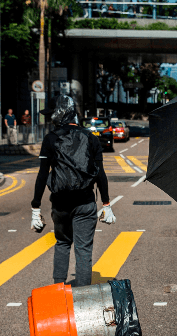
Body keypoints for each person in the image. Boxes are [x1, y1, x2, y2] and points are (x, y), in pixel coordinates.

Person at [30, 95, 116, 286]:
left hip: (60, 203)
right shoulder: (90, 138)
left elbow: (43, 174)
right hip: (85, 202)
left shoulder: (51, 139)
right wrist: (106, 203)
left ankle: (58, 289)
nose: (50, 118)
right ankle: (83, 295)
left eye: (52, 114)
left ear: (60, 114)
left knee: (62, 244)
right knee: (83, 250)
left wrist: (36, 207)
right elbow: (100, 174)